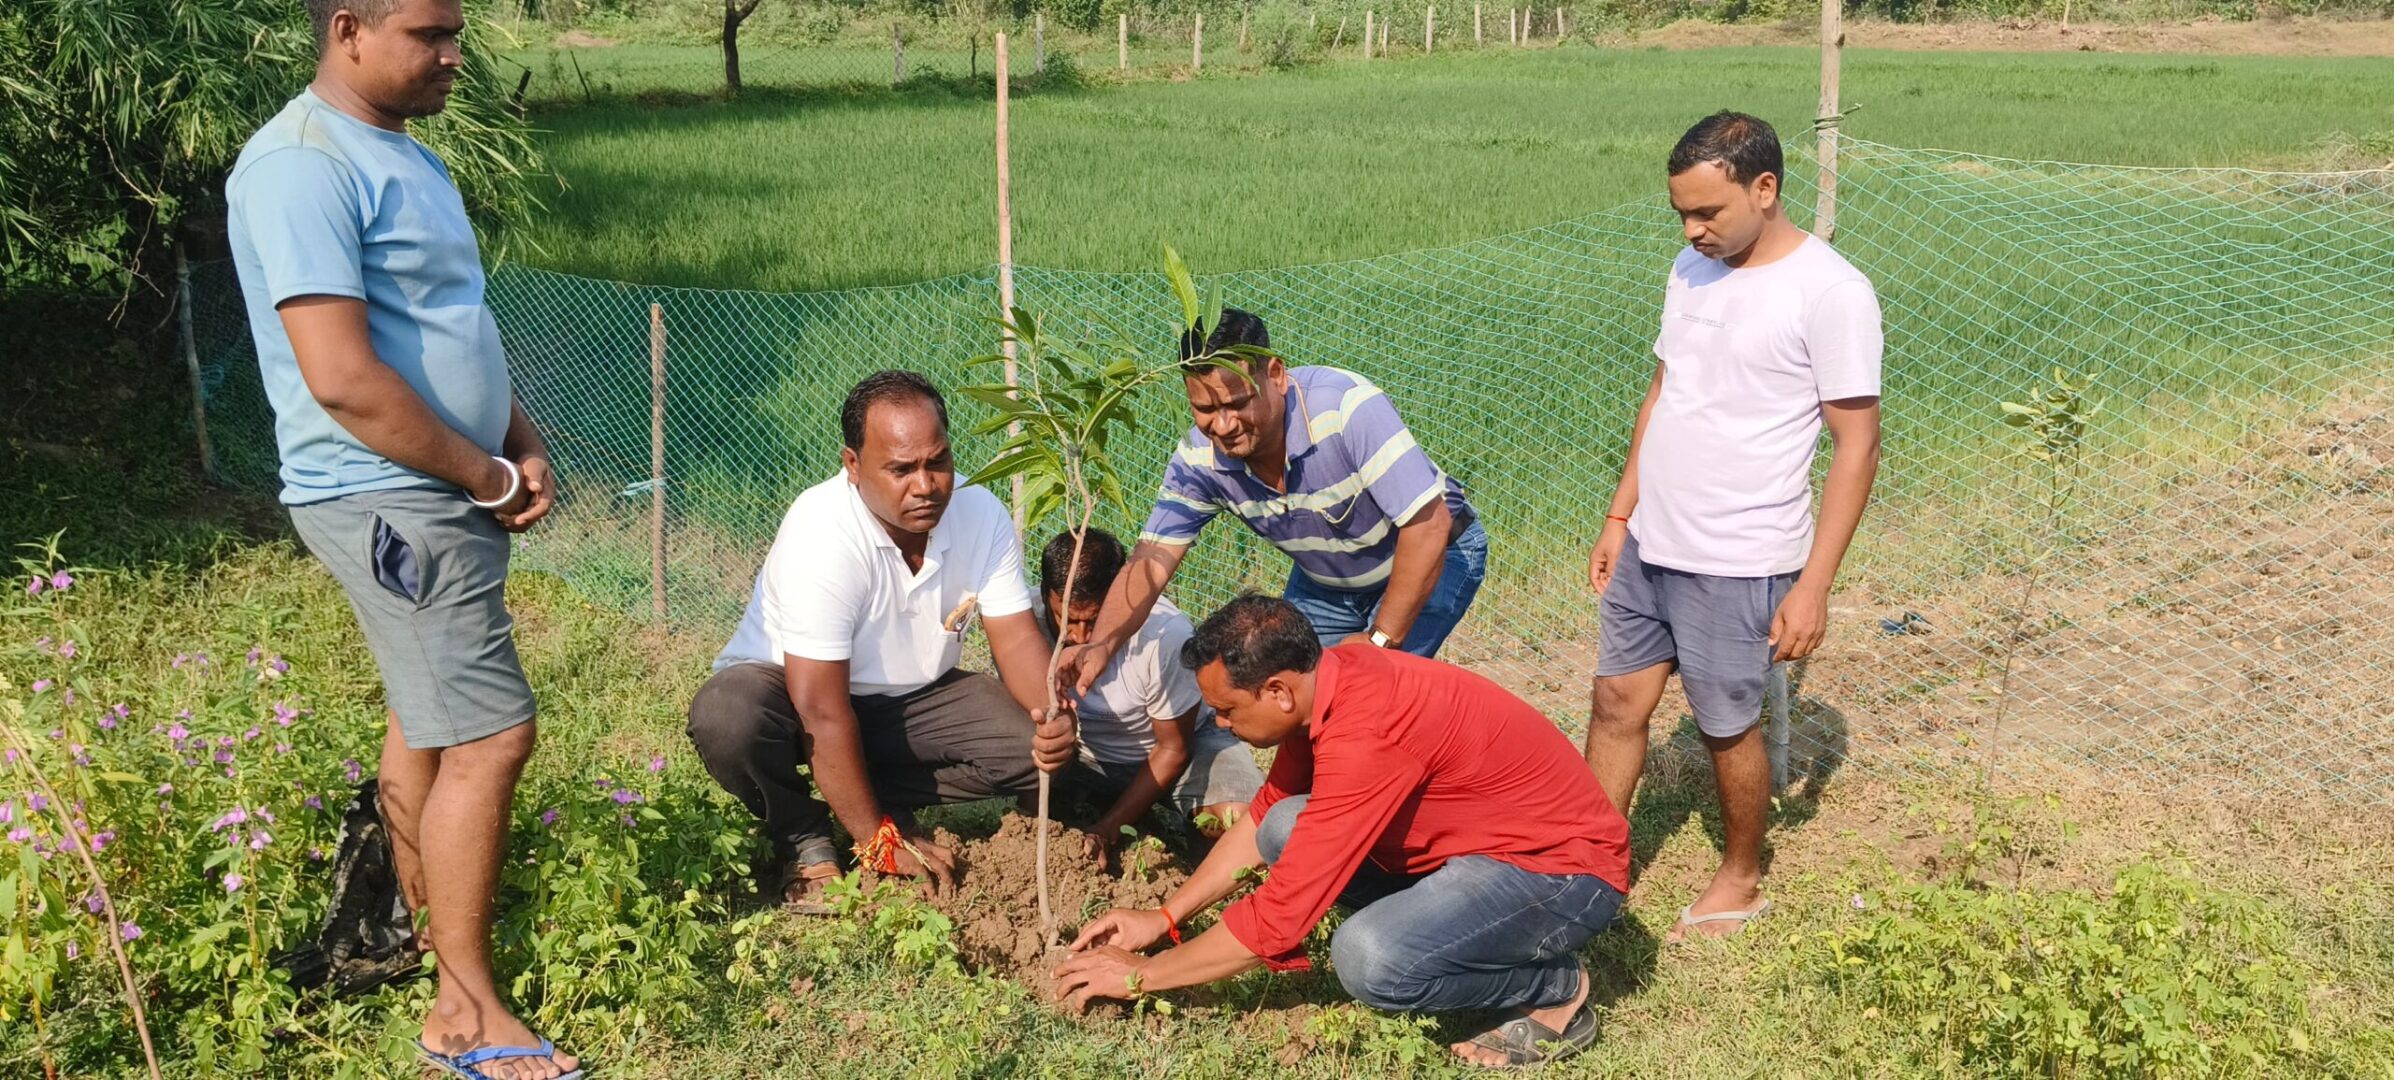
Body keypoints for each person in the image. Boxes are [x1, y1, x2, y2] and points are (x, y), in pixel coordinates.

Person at [226, 1, 578, 1076]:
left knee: (428, 725)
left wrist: (515, 434)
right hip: (388, 493)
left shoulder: (400, 152)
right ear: (348, 28)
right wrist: (481, 471)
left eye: (454, 32)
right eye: (429, 34)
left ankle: (424, 944)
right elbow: (339, 375)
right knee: (490, 735)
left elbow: (450, 314)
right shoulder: (299, 165)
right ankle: (463, 1014)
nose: (452, 55)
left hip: (437, 486)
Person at [1055, 596, 1630, 1069]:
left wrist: (1141, 976)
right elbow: (1265, 815)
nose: (1221, 725)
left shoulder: (1367, 732)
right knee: (1284, 823)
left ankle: (1554, 988)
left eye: (1226, 710)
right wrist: (1165, 917)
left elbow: (1278, 923)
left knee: (1372, 960)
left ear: (1277, 690)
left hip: (1563, 873)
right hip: (1477, 849)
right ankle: (1447, 926)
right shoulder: (1326, 683)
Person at [1582, 111, 1883, 942]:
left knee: (1725, 726)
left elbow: (1857, 445)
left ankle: (1743, 877)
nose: (1692, 228)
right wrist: (1620, 513)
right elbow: (1664, 391)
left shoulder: (1831, 292)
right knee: (1615, 701)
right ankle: (1588, 865)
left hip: (1740, 554)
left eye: (1708, 212)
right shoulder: (1690, 267)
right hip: (1653, 541)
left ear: (1765, 188)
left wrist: (1814, 585)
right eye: (1682, 212)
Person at [685, 371, 1075, 911]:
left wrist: (1050, 715)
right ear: (852, 466)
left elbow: (1015, 640)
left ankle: (868, 796)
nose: (925, 485)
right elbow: (821, 709)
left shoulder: (980, 513)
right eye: (901, 469)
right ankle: (805, 835)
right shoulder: (822, 534)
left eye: (937, 461)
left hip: (911, 700)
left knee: (1025, 748)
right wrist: (878, 843)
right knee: (729, 716)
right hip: (792, 702)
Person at [1056, 309, 1487, 703]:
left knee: (1373, 696)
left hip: (1437, 549)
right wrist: (1101, 644)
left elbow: (1428, 525)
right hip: (1329, 581)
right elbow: (1151, 560)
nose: (1222, 425)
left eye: (1237, 402)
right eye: (1204, 409)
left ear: (1276, 374)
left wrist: (1377, 641)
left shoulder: (1345, 410)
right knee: (1291, 699)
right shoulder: (1199, 460)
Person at [1038, 527, 1263, 867]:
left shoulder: (1165, 637)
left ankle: (1188, 857)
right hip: (1085, 755)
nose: (1078, 636)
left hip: (1178, 750)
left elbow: (1173, 749)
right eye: (1066, 619)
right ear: (1045, 596)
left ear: (1119, 597)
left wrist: (1108, 827)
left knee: (1235, 819)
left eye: (1094, 620)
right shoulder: (1027, 623)